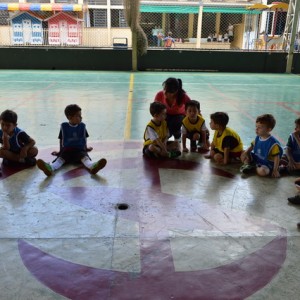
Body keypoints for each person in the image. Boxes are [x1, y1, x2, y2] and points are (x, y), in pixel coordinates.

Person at [36, 104, 107, 177]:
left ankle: (93, 166)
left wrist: (85, 148)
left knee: (85, 159)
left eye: (81, 115)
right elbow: (61, 139)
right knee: (60, 160)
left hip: (79, 150)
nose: (81, 117)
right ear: (69, 117)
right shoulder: (64, 126)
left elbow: (84, 138)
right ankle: (50, 168)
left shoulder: (82, 126)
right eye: (78, 116)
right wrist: (60, 152)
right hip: (67, 150)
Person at [0, 109, 38, 174]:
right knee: (1, 152)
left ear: (15, 125)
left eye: (8, 125)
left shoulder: (19, 133)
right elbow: (6, 148)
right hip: (10, 153)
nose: (4, 128)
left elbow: (33, 141)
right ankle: (23, 161)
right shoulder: (0, 133)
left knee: (34, 150)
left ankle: (14, 161)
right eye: (2, 124)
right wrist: (5, 139)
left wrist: (25, 148)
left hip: (21, 153)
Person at [154, 77, 191, 144]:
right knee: (164, 122)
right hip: (165, 115)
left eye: (170, 93)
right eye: (165, 90)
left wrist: (201, 123)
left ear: (176, 92)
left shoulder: (183, 96)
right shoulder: (159, 95)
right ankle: (166, 135)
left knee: (176, 121)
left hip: (180, 116)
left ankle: (177, 136)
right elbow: (154, 109)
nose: (166, 94)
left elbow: (193, 107)